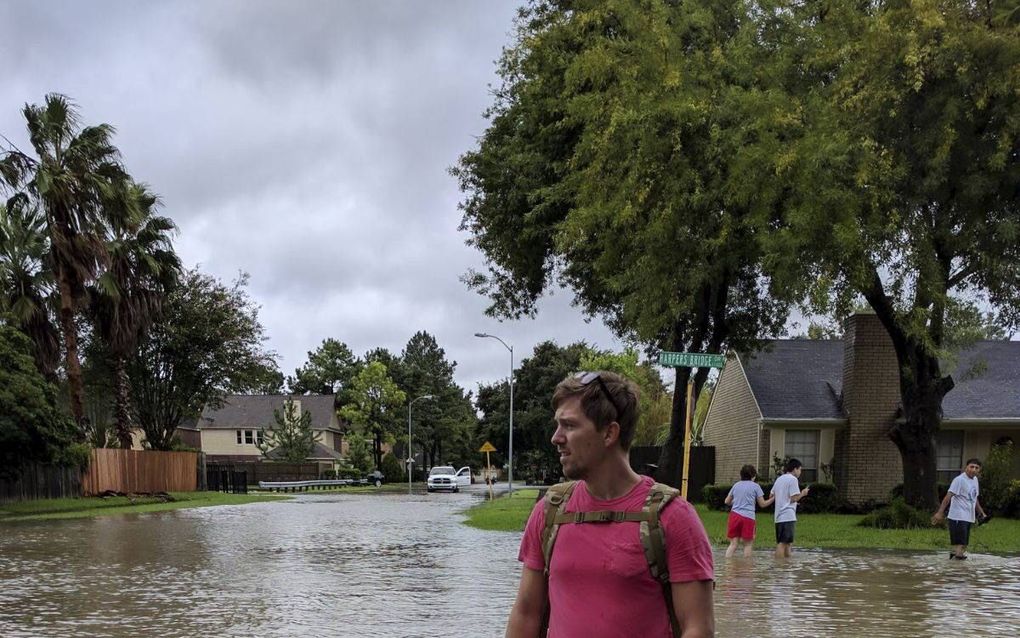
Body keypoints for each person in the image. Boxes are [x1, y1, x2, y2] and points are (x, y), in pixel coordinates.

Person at [505, 371, 715, 638]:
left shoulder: (672, 518)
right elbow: (526, 615)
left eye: (569, 426)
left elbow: (698, 628)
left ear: (609, 433)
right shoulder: (550, 512)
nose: (556, 438)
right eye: (557, 425)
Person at [931, 458, 986, 560]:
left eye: (976, 468)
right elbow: (948, 497)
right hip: (958, 516)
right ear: (966, 467)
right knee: (960, 543)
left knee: (964, 543)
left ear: (979, 470)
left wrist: (981, 513)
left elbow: (975, 498)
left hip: (969, 516)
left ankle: (954, 559)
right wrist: (939, 513)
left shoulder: (975, 480)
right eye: (971, 467)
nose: (973, 469)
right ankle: (957, 566)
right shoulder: (959, 480)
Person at [724, 464, 774, 558]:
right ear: (753, 476)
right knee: (748, 545)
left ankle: (728, 566)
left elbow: (727, 501)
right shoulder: (756, 487)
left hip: (734, 516)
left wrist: (737, 502)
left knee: (733, 544)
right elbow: (762, 504)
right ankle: (747, 570)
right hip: (748, 517)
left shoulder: (736, 485)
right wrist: (773, 499)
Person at [770, 458, 810, 558]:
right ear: (795, 469)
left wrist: (782, 499)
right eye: (800, 469)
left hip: (778, 516)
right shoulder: (793, 479)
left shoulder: (779, 479)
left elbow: (771, 496)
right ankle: (778, 565)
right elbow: (794, 498)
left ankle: (787, 566)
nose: (800, 472)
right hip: (787, 516)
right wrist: (803, 493)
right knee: (783, 543)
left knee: (787, 543)